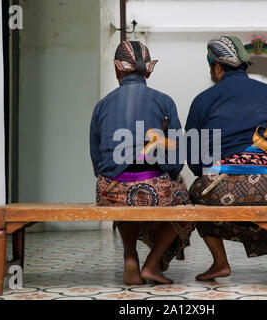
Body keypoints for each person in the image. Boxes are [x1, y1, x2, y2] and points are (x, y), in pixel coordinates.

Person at [185, 36, 267, 282]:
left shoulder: (202, 101)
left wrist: (209, 175)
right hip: (266, 185)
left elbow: (193, 157)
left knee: (195, 196)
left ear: (217, 67)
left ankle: (220, 263)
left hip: (217, 187)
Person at [90, 40, 193, 285]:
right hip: (153, 189)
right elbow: (177, 159)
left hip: (109, 191)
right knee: (187, 205)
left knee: (122, 188)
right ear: (148, 70)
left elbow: (97, 162)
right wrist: (167, 174)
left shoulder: (102, 105)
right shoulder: (164, 101)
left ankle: (130, 257)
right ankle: (152, 263)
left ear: (117, 69)